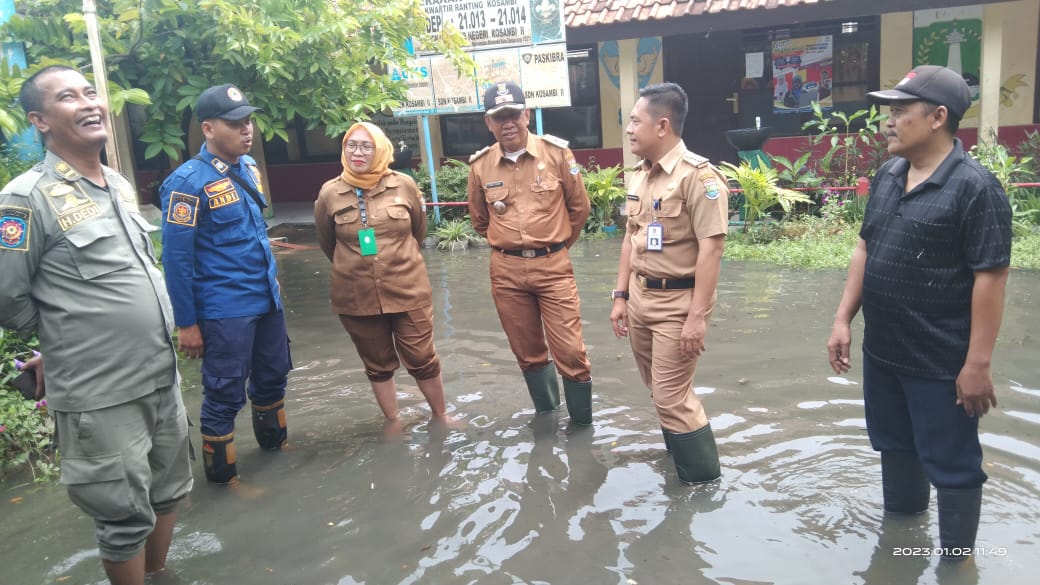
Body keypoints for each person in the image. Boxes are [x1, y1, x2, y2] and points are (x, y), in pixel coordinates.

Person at [0, 65, 192, 585]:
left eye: (90, 92)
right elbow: (9, 299)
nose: (88, 103)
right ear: (39, 119)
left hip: (158, 375)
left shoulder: (119, 185)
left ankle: (158, 576)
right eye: (68, 97)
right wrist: (65, 342)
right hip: (99, 391)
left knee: (169, 490)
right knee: (121, 514)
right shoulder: (26, 198)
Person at [827, 65, 1012, 560]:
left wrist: (976, 365)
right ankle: (901, 549)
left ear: (938, 117)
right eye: (888, 110)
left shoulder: (976, 188)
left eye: (900, 110)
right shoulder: (889, 175)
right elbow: (866, 247)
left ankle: (956, 565)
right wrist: (844, 318)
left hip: (941, 361)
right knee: (895, 447)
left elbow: (990, 279)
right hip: (884, 353)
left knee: (953, 466)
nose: (888, 121)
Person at [160, 84, 292, 484]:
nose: (246, 130)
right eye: (235, 123)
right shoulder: (186, 183)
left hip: (265, 298)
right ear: (208, 128)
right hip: (225, 309)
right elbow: (177, 260)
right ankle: (225, 480)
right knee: (223, 394)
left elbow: (253, 234)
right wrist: (187, 324)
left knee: (272, 376)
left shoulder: (248, 168)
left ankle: (277, 448)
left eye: (248, 121)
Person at [609, 82, 728, 485]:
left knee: (672, 395)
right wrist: (621, 295)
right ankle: (681, 460)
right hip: (641, 298)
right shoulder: (640, 177)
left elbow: (712, 250)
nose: (628, 129)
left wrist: (698, 318)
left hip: (678, 303)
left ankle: (703, 484)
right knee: (658, 390)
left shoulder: (699, 177)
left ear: (662, 126)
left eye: (634, 121)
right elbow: (630, 236)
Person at [465, 81, 593, 425]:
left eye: (512, 114)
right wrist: (510, 246)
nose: (507, 123)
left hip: (553, 266)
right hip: (506, 272)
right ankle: (548, 418)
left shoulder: (557, 154)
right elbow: (480, 220)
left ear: (527, 115)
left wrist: (555, 246)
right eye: (498, 116)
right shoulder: (479, 167)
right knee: (528, 353)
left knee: (571, 351)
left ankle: (582, 428)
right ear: (488, 123)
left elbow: (579, 209)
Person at [314, 122, 449, 434]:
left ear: (380, 149)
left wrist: (394, 261)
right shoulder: (329, 193)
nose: (358, 152)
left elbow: (418, 231)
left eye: (366, 146)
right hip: (355, 295)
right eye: (352, 145)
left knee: (422, 358)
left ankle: (441, 416)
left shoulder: (404, 185)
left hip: (407, 289)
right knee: (377, 365)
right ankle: (394, 421)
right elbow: (327, 243)